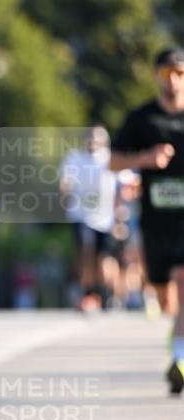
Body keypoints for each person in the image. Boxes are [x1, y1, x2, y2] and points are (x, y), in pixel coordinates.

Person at [110, 47, 184, 394]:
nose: (174, 79)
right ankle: (178, 334)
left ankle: (180, 359)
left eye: (180, 73)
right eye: (168, 72)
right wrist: (145, 158)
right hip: (155, 222)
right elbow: (112, 162)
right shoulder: (142, 119)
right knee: (167, 298)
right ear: (157, 75)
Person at [59, 125, 118, 311]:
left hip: (105, 218)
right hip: (80, 214)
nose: (93, 142)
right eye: (91, 137)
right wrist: (65, 189)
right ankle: (87, 293)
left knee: (103, 260)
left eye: (97, 138)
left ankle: (104, 293)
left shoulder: (110, 159)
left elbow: (124, 183)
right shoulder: (74, 158)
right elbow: (65, 180)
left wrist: (121, 214)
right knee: (85, 250)